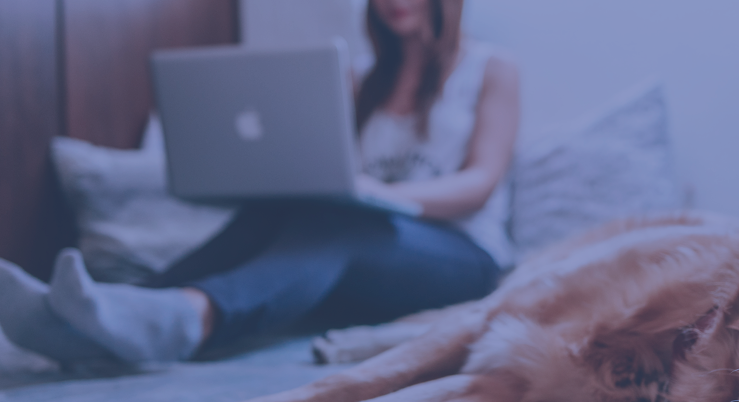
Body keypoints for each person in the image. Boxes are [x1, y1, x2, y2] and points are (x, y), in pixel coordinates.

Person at [0, 0, 519, 364]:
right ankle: (108, 313)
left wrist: (383, 195)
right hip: (365, 248)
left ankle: (188, 319)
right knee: (291, 212)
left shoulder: (491, 68)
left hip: (463, 257)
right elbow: (327, 167)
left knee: (339, 223)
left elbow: (481, 182)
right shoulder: (358, 77)